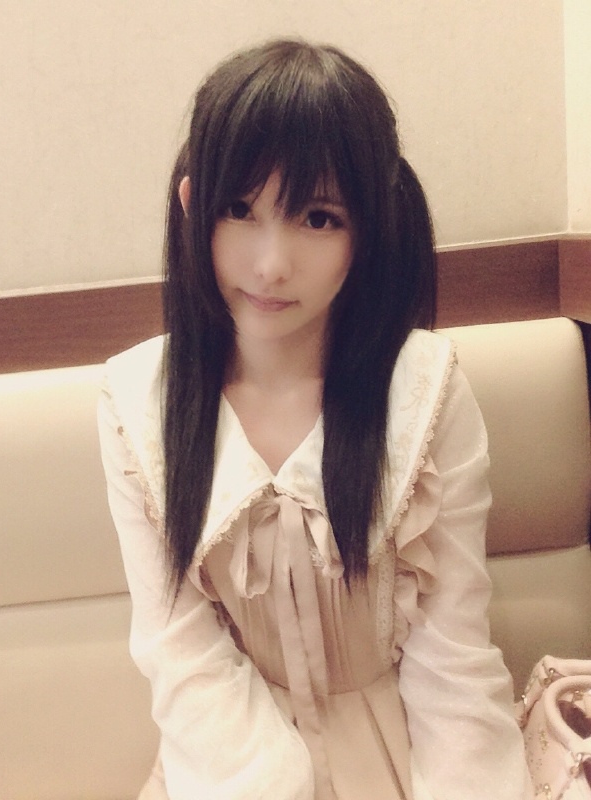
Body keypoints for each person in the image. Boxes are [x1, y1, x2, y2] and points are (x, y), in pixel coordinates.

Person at [97, 39, 534, 800]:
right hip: (226, 768)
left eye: (318, 218)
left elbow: (453, 662)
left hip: (404, 762)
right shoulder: (138, 404)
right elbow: (182, 659)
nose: (271, 263)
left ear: (368, 229)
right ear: (194, 205)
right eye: (240, 209)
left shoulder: (423, 393)